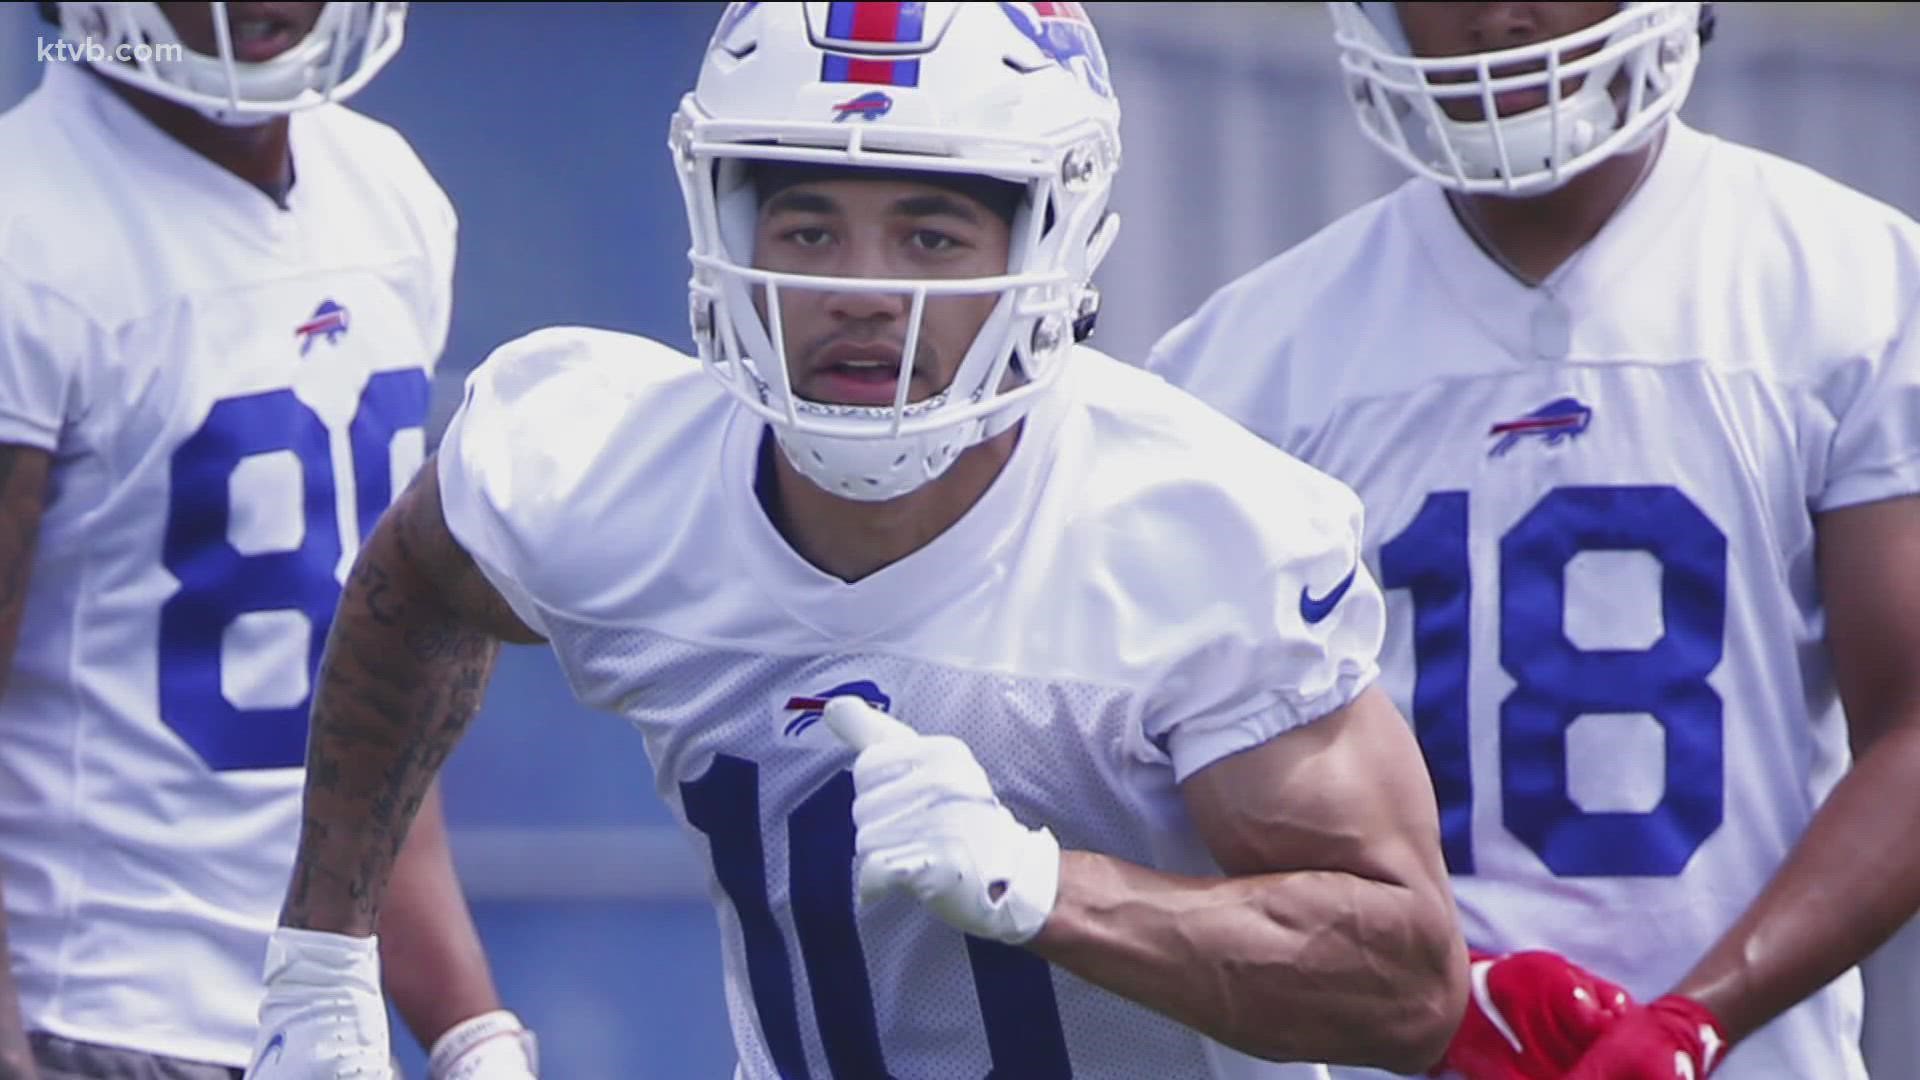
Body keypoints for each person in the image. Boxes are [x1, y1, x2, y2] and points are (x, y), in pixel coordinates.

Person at [238, 2, 1472, 1077]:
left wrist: (1044, 889)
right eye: (809, 227)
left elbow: (1409, 985)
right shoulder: (602, 469)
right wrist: (324, 956)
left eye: (931, 235)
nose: (863, 290)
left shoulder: (1193, 538)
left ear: (1049, 243)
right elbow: (416, 583)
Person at [1147, 1, 1920, 1077]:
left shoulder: (1853, 288)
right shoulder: (1239, 365)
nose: (1497, 15)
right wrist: (1444, 1005)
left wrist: (1700, 1015)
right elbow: (1175, 800)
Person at [0, 3, 539, 1078]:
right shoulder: (28, 232)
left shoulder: (384, 192)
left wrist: (470, 1026)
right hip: (96, 1018)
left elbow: (367, 702)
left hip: (322, 1031)